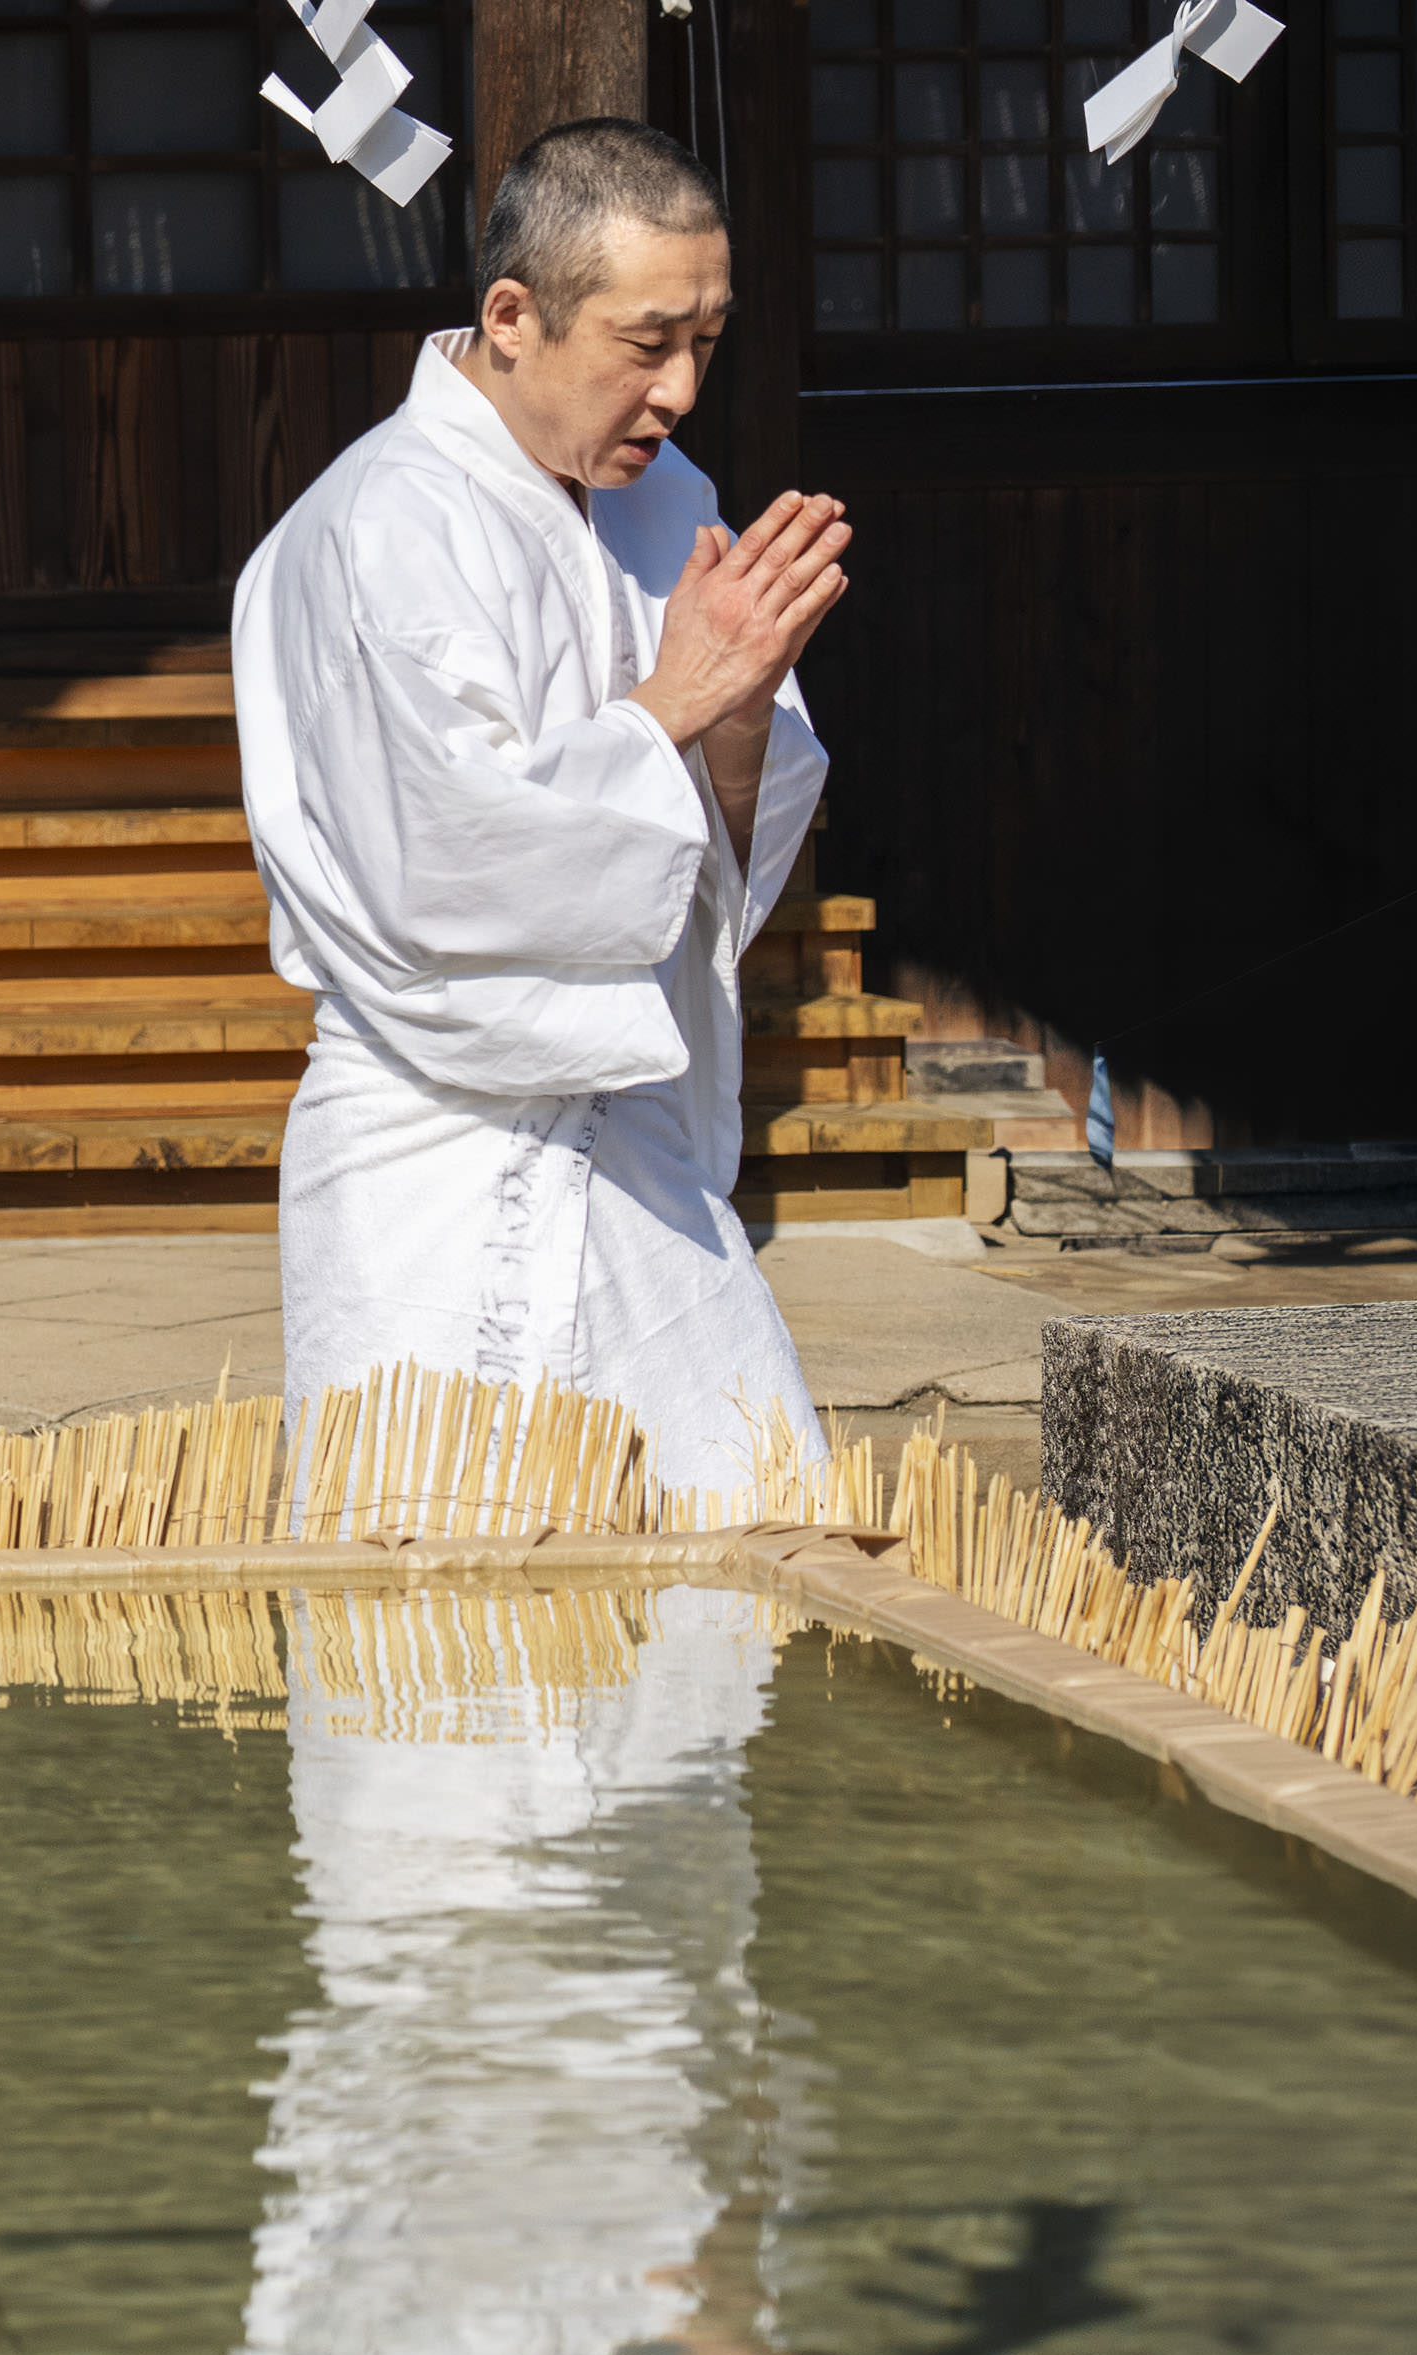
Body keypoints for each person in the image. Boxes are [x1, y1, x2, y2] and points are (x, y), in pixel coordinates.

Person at [234, 119, 854, 1500]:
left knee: (737, 1536)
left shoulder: (668, 502)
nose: (680, 389)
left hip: (634, 1136)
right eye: (646, 344)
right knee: (432, 1580)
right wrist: (673, 700)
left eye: (706, 341)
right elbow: (449, 861)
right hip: (432, 1139)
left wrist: (737, 709)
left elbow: (716, 858)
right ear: (511, 316)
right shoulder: (379, 526)